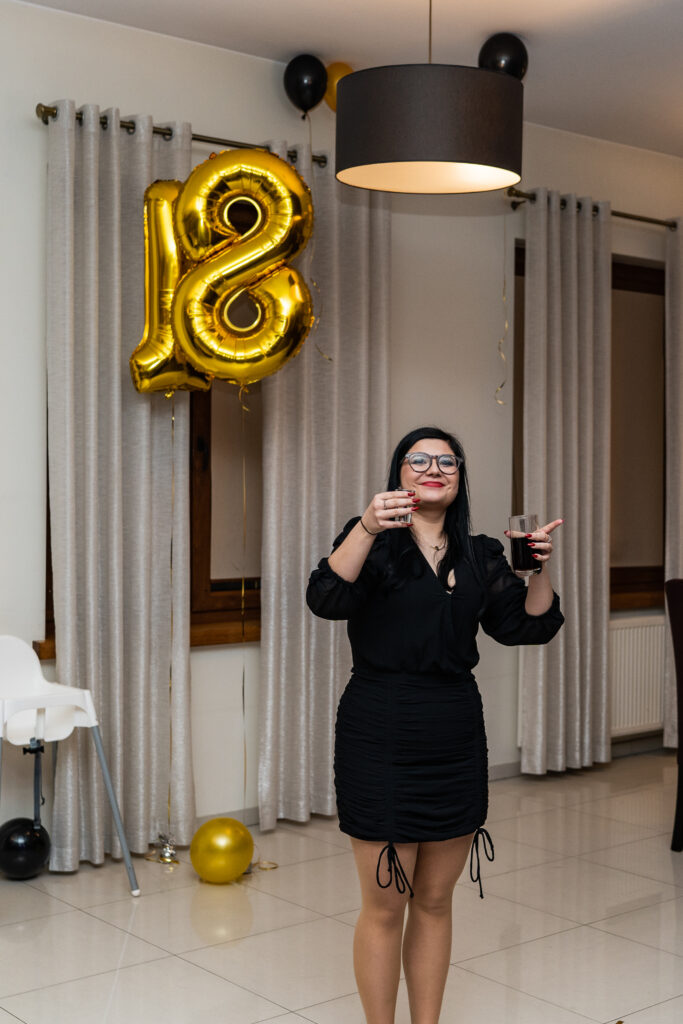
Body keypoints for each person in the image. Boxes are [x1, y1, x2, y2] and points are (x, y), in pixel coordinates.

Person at [306, 426, 564, 1024]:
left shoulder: (481, 553)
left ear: (459, 479)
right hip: (379, 731)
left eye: (446, 462)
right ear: (398, 474)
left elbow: (525, 627)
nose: (432, 469)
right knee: (384, 906)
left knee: (436, 901)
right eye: (418, 460)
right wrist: (367, 525)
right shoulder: (372, 542)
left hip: (454, 734)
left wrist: (538, 570)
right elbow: (325, 597)